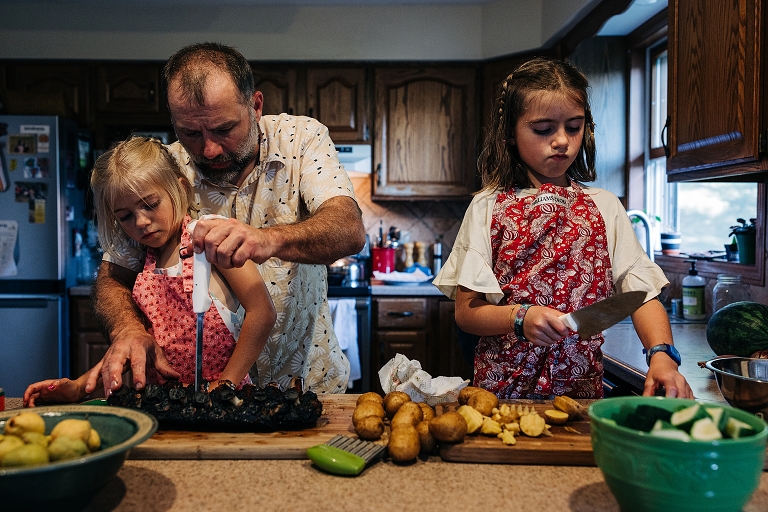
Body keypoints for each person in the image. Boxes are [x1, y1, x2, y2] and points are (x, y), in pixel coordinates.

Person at [85, 42, 366, 398]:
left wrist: (268, 240)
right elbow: (113, 276)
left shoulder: (301, 140)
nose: (209, 149)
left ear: (256, 106)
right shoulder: (162, 172)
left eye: (223, 129)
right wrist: (126, 329)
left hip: (305, 385)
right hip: (202, 395)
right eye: (190, 133)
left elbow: (349, 229)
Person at [433, 57, 694, 400]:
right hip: (502, 392)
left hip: (580, 392)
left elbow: (641, 294)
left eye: (574, 127)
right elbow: (466, 312)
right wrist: (519, 317)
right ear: (510, 133)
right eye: (543, 129)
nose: (562, 141)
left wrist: (662, 357)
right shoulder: (487, 207)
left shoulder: (605, 206)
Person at [24, 137, 276, 407]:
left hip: (223, 403)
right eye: (126, 216)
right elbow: (136, 348)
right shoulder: (144, 263)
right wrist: (78, 387)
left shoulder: (210, 238)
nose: (141, 222)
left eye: (150, 204)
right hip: (165, 406)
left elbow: (262, 312)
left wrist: (225, 384)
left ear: (179, 189)